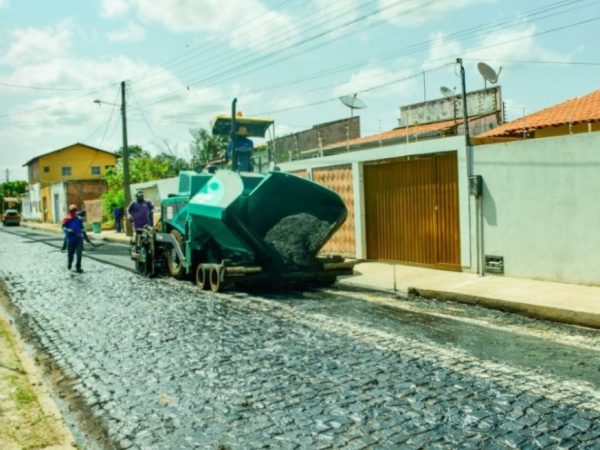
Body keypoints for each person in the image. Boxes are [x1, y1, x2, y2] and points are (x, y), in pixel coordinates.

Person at [61, 204, 86, 272]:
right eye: (72, 210)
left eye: (74, 210)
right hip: (70, 239)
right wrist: (67, 230)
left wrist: (85, 236)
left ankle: (78, 267)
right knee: (70, 254)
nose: (73, 212)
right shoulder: (66, 219)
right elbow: (63, 227)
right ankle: (69, 263)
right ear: (69, 211)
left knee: (79, 253)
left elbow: (82, 228)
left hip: (79, 239)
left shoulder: (79, 219)